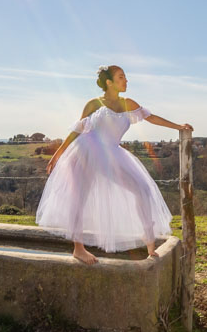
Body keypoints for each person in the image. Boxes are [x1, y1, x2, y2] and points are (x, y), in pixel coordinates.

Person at [36, 65, 193, 265]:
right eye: (121, 77)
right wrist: (58, 153)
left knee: (142, 189)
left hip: (113, 154)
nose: (126, 80)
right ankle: (78, 249)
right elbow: (77, 129)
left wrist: (178, 126)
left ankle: (149, 242)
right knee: (80, 198)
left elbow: (151, 117)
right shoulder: (94, 104)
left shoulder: (128, 103)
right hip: (87, 152)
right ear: (109, 82)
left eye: (125, 77)